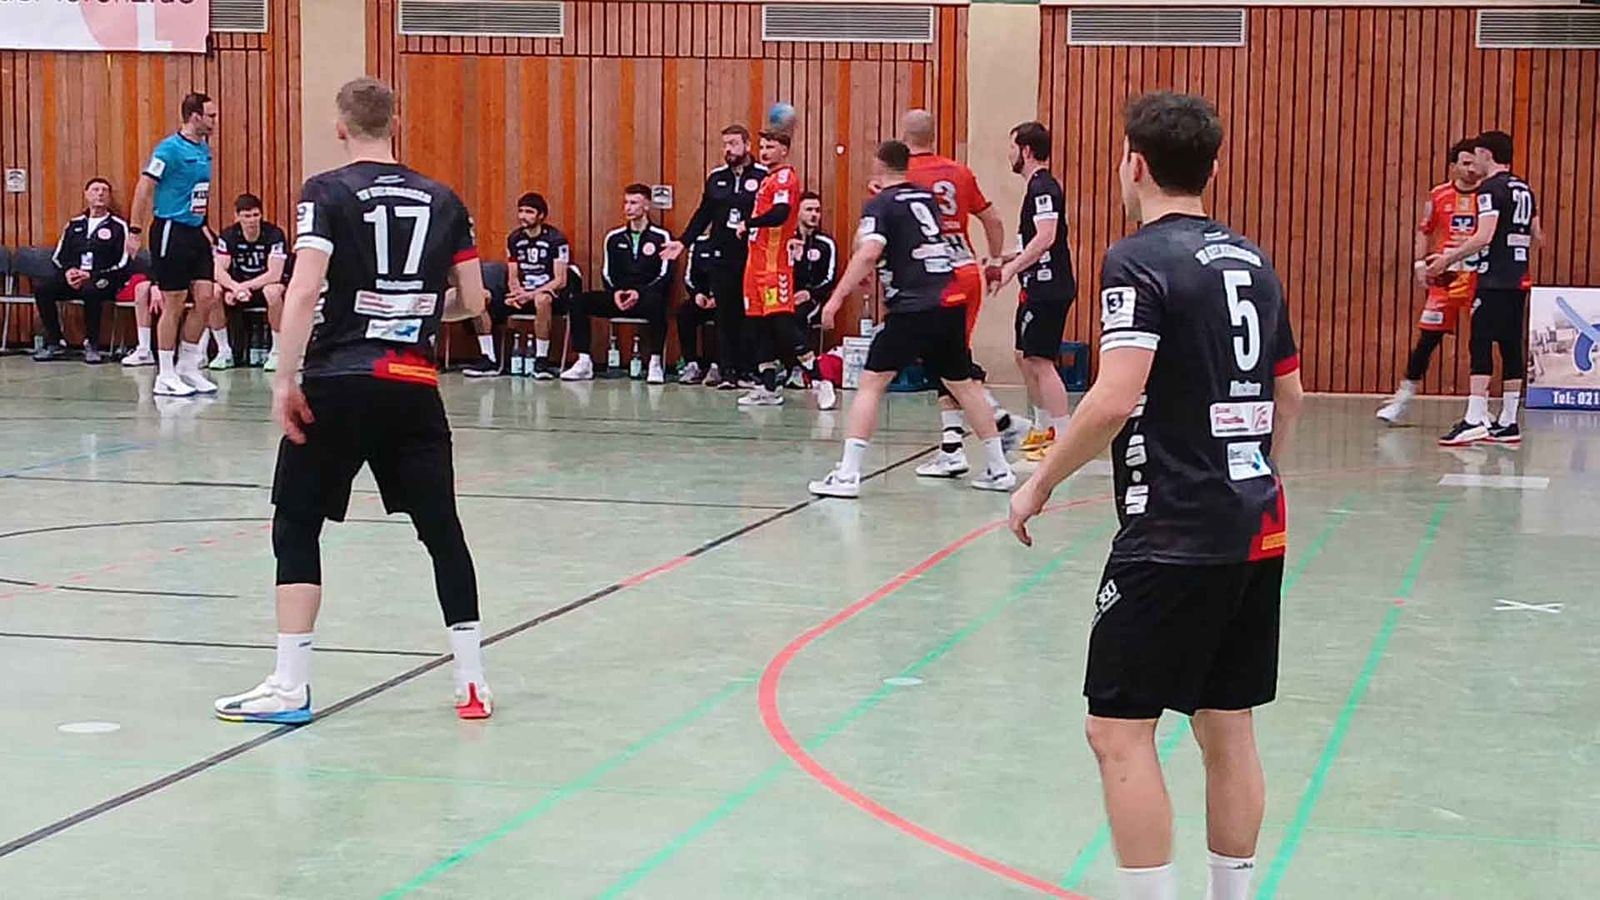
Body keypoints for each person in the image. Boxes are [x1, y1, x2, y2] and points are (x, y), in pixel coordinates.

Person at [1008, 92, 1304, 900]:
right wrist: (1253, 479)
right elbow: (1290, 398)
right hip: (1255, 522)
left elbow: (1113, 397)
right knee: (1227, 723)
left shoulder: (1136, 260)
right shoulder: (1253, 261)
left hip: (1173, 529)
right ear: (1213, 168)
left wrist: (1039, 481)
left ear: (1133, 164)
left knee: (1117, 730)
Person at [213, 77, 493, 723]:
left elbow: (304, 288)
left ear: (341, 127)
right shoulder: (445, 199)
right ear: (398, 123)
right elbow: (474, 301)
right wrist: (413, 311)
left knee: (296, 523)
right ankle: (472, 682)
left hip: (338, 380)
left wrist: (284, 379)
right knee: (442, 532)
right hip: (413, 385)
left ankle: (291, 685)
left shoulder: (326, 191)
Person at [809, 140, 1014, 498]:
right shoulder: (926, 198)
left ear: (879, 164)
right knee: (963, 385)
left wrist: (836, 298)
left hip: (912, 307)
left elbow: (870, 251)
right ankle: (999, 469)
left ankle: (848, 474)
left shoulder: (881, 203)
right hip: (948, 300)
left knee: (871, 384)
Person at [901, 109, 1026, 478]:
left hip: (932, 276)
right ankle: (953, 447)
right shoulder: (959, 172)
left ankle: (1001, 423)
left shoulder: (902, 175)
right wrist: (995, 261)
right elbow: (993, 219)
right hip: (967, 271)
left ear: (904, 136)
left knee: (947, 361)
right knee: (948, 358)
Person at [1427, 130, 1543, 446]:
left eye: (1476, 155)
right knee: (1510, 345)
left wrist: (1447, 259)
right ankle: (1508, 421)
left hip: (1493, 279)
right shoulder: (1524, 188)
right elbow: (1537, 235)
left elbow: (1484, 235)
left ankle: (1475, 417)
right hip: (1518, 278)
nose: (1473, 162)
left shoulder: (1490, 189)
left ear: (1487, 155)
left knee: (1480, 342)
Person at [1376, 140, 1483, 424]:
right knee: (1427, 340)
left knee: (1482, 340)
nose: (1471, 169)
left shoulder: (1488, 195)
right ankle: (1401, 400)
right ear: (1454, 166)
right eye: (1465, 163)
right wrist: (1420, 263)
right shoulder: (1439, 195)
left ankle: (1479, 409)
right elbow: (1424, 230)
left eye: (1475, 163)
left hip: (1478, 277)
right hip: (1446, 278)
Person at [127, 91, 220, 397]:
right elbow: (144, 188)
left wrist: (205, 227)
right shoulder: (168, 150)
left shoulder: (204, 149)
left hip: (195, 232)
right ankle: (165, 374)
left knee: (206, 297)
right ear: (195, 117)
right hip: (170, 230)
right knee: (174, 302)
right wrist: (135, 230)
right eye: (210, 116)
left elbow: (197, 193)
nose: (214, 121)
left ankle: (188, 366)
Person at [661, 125, 768, 389]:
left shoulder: (763, 176)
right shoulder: (717, 178)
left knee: (751, 315)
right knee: (725, 314)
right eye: (725, 144)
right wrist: (683, 242)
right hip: (722, 256)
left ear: (747, 145)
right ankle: (727, 371)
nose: (728, 149)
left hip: (754, 257)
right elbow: (703, 214)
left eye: (733, 143)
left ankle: (750, 371)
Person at [734, 129, 834, 410]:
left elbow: (780, 214)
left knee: (783, 325)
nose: (764, 152)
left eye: (771, 147)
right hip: (754, 265)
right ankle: (767, 387)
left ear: (784, 151)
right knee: (758, 326)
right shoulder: (766, 179)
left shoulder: (785, 178)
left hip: (774, 266)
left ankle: (820, 380)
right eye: (762, 147)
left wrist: (749, 224)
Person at [996, 121, 1078, 462]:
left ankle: (1063, 437)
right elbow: (1031, 241)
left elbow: (1046, 237)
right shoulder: (1034, 189)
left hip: (1049, 286)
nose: (1009, 154)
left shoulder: (1044, 187)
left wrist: (1011, 269)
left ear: (1026, 151)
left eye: (1012, 147)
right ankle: (1043, 426)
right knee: (1023, 355)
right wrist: (1000, 260)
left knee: (1041, 361)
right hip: (1033, 286)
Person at [560, 184, 672, 383]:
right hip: (619, 296)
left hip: (646, 297)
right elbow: (607, 273)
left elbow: (665, 275)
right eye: (626, 202)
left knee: (658, 303)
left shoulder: (661, 237)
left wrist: (639, 293)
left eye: (634, 203)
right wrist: (616, 293)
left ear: (646, 205)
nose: (628, 207)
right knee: (578, 301)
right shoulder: (613, 237)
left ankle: (655, 363)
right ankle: (584, 361)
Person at [464, 192, 571, 379]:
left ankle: (541, 361)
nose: (523, 216)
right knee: (479, 297)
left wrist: (529, 295)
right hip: (522, 293)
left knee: (542, 300)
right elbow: (513, 274)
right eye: (521, 211)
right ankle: (489, 358)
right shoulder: (514, 238)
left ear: (541, 215)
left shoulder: (556, 239)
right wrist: (516, 292)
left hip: (547, 293)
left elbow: (560, 280)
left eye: (529, 212)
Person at [31, 177, 132, 365]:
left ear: (109, 197)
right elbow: (59, 256)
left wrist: (92, 275)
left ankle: (92, 344)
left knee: (91, 290)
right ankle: (55, 341)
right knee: (43, 289)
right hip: (75, 278)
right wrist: (69, 271)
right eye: (95, 190)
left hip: (104, 279)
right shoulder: (74, 224)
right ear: (86, 195)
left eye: (104, 190)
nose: (100, 194)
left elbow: (123, 261)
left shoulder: (118, 226)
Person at [212, 192, 289, 371]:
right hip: (238, 288)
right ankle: (224, 351)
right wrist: (233, 288)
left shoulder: (274, 234)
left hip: (262, 286)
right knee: (213, 291)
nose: (252, 220)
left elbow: (274, 274)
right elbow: (218, 270)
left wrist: (242, 287)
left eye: (256, 215)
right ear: (237, 217)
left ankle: (277, 352)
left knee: (272, 291)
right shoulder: (229, 235)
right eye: (246, 216)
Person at [676, 235, 720, 384]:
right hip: (701, 297)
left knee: (727, 315)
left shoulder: (732, 242)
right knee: (685, 313)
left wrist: (719, 297)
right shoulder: (697, 243)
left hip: (725, 299)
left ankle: (718, 366)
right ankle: (691, 364)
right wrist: (697, 294)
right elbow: (689, 277)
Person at [118, 262, 158, 367]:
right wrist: (155, 285)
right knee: (141, 288)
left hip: (187, 279)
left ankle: (194, 353)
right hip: (164, 279)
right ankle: (144, 351)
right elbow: (153, 265)